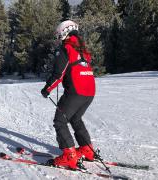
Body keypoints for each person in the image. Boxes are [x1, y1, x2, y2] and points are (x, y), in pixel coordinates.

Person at [41, 20, 96, 169]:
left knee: (60, 121)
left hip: (76, 92)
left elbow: (58, 74)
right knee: (75, 118)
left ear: (65, 33)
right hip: (89, 92)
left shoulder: (66, 49)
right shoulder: (82, 49)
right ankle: (87, 150)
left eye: (59, 36)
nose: (59, 39)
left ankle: (69, 156)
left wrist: (47, 88)